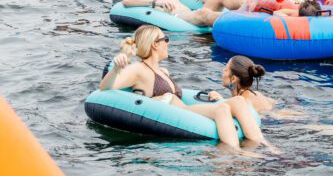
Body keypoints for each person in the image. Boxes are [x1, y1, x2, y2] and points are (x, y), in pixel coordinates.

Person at [100, 26, 270, 150]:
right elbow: (105, 88)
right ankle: (234, 156)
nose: (168, 42)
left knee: (239, 101)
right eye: (165, 39)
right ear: (155, 45)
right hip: (171, 111)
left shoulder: (162, 70)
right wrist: (116, 68)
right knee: (221, 109)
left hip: (182, 108)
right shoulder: (139, 69)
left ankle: (264, 145)